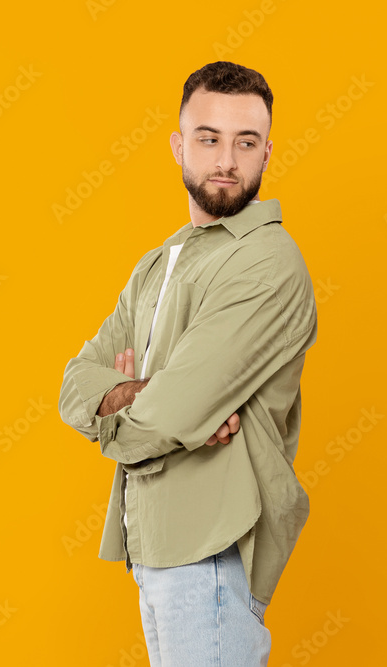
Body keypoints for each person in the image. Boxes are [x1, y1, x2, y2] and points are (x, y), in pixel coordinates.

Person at [57, 61, 317, 666]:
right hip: (152, 545)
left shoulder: (267, 262)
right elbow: (74, 384)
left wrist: (125, 401)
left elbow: (173, 410)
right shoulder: (158, 262)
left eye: (245, 142)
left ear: (267, 153)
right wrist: (145, 394)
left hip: (212, 551)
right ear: (179, 146)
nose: (226, 159)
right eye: (209, 138)